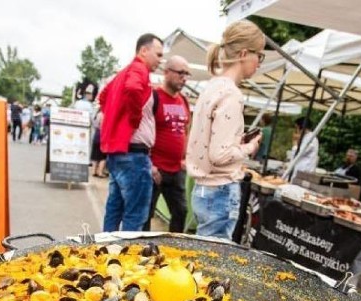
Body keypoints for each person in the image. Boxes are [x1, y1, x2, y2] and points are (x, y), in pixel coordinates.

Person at [185, 21, 264, 239]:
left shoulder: (212, 87)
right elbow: (220, 154)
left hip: (203, 188)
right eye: (259, 56)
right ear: (244, 53)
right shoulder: (231, 94)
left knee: (203, 257)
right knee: (210, 262)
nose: (259, 63)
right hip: (219, 189)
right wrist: (249, 147)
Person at [98, 33, 164, 232]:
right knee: (135, 215)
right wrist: (133, 118)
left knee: (114, 209)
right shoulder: (138, 69)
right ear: (144, 51)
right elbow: (133, 88)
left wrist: (117, 118)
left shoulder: (124, 72)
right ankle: (127, 259)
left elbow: (103, 96)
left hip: (120, 152)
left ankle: (106, 254)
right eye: (159, 55)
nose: (160, 61)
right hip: (133, 154)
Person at [143, 55, 191, 232]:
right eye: (180, 73)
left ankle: (173, 251)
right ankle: (141, 252)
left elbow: (186, 130)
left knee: (181, 211)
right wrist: (149, 164)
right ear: (166, 72)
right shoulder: (154, 96)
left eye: (187, 74)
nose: (184, 78)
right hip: (155, 170)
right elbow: (141, 131)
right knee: (145, 215)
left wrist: (184, 158)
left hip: (176, 169)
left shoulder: (184, 100)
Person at [284, 117, 318, 181]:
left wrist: (295, 143)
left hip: (304, 172)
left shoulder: (311, 139)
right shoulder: (306, 137)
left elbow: (298, 153)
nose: (296, 131)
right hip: (300, 171)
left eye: (296, 128)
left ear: (301, 128)